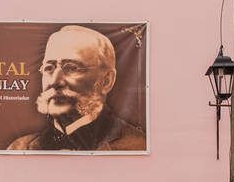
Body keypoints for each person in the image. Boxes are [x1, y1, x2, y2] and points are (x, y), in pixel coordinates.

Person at [7, 25, 145, 151]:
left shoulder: (136, 145)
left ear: (106, 81)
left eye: (71, 68)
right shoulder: (20, 148)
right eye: (49, 68)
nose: (55, 81)